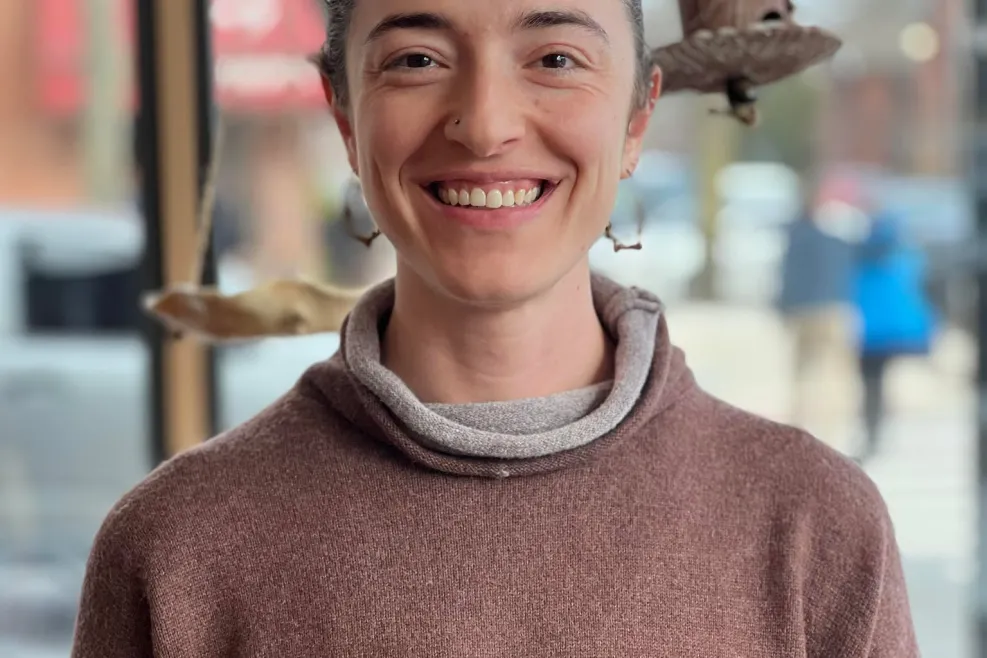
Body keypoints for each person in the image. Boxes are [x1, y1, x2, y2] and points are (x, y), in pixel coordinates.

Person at [72, 1, 918, 655]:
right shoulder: (179, 545)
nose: (484, 124)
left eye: (554, 58)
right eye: (415, 59)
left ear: (636, 117)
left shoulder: (812, 526)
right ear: (343, 118)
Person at [776, 173, 863, 452]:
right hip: (833, 308)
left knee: (806, 373)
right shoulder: (841, 226)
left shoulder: (796, 232)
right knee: (834, 374)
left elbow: (787, 273)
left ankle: (804, 431)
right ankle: (832, 433)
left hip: (805, 309)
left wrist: (783, 305)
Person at [853, 211, 937, 462]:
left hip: (867, 333)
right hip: (902, 333)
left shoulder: (859, 256)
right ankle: (888, 429)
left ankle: (873, 430)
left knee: (871, 383)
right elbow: (925, 291)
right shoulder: (909, 256)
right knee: (887, 381)